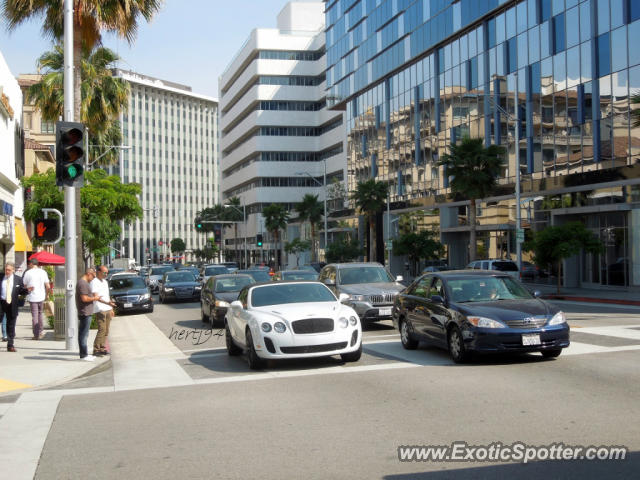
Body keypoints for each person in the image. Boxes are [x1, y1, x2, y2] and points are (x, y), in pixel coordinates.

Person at [0, 262, 28, 352]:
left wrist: (27, 290)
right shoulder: (1, 277)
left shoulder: (18, 279)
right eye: (6, 269)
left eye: (8, 270)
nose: (7, 271)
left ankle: (10, 345)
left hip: (12, 304)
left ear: (13, 270)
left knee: (11, 325)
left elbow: (21, 291)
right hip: (1, 302)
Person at [22, 258, 52, 340]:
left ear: (32, 264)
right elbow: (48, 285)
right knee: (40, 314)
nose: (28, 265)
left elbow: (24, 285)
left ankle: (36, 334)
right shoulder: (43, 272)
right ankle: (41, 331)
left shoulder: (28, 273)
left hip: (32, 297)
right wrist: (47, 295)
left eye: (29, 263)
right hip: (41, 296)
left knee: (35, 315)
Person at [91, 266, 116, 356]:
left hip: (108, 308)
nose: (106, 274)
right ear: (98, 272)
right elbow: (96, 297)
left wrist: (111, 308)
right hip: (100, 308)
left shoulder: (105, 282)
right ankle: (96, 349)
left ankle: (102, 347)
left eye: (107, 273)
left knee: (106, 330)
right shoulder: (94, 282)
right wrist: (108, 303)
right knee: (101, 329)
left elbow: (107, 296)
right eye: (104, 272)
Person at [76, 268, 98, 361]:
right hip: (85, 312)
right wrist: (94, 298)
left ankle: (84, 354)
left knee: (84, 333)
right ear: (89, 273)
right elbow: (84, 298)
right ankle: (84, 355)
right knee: (83, 334)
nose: (93, 278)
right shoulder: (83, 284)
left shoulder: (84, 283)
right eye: (93, 276)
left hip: (86, 311)